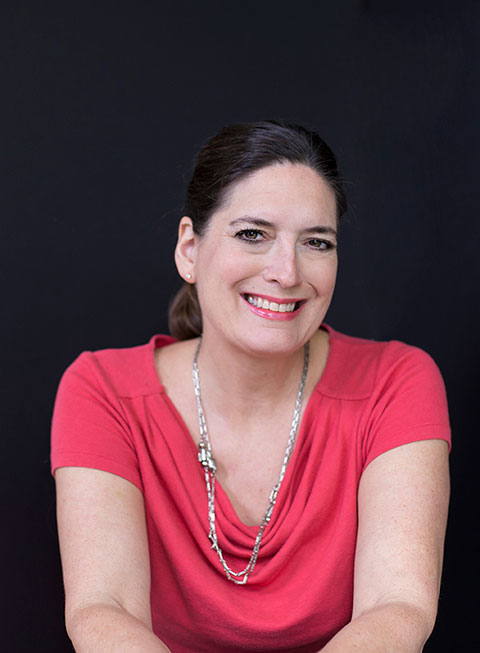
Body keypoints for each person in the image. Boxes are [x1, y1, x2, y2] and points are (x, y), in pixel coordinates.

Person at [51, 120, 451, 652]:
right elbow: (104, 609)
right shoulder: (102, 390)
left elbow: (398, 606)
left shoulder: (396, 381)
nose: (286, 272)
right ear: (190, 250)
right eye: (252, 234)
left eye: (316, 242)